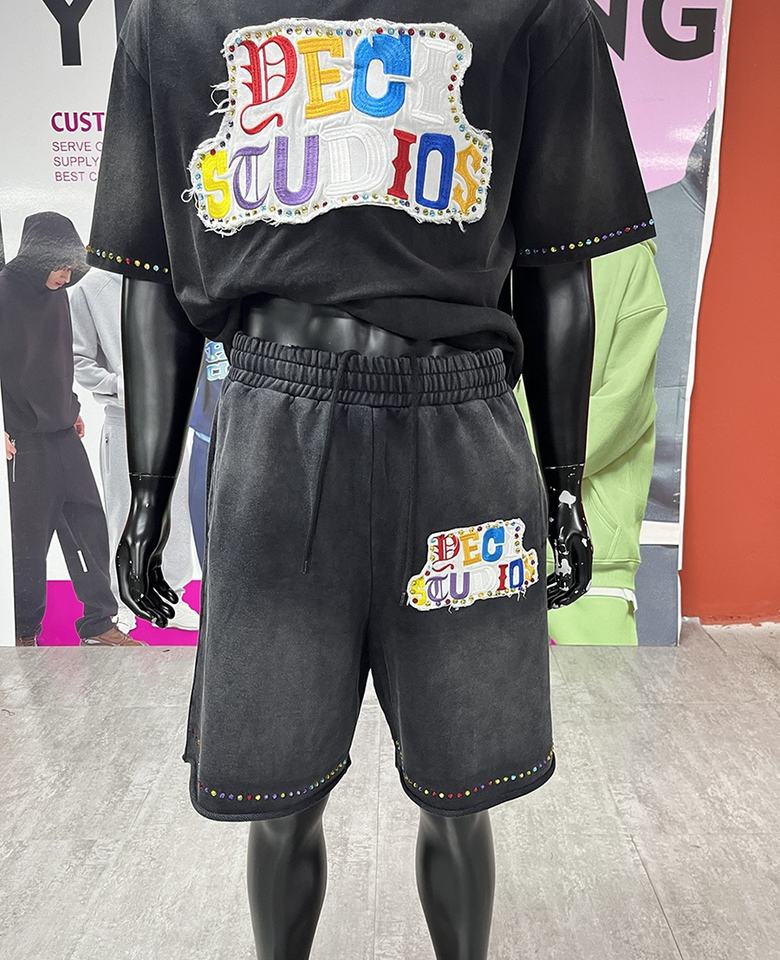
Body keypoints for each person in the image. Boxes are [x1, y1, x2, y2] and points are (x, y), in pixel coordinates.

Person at [86, 1, 656, 955]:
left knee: (463, 785)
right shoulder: (173, 12)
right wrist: (149, 492)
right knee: (278, 793)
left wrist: (565, 479)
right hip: (274, 434)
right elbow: (151, 273)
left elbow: (559, 266)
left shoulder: (535, 9)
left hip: (463, 439)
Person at [0, 211, 139, 646]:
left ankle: (99, 623)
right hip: (21, 440)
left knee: (88, 523)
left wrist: (72, 406)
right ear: (38, 257)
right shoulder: (3, 293)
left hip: (62, 429)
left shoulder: (58, 294)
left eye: (70, 268)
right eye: (60, 267)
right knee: (29, 540)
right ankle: (25, 631)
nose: (66, 276)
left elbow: (60, 359)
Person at [69, 268, 200, 632]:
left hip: (173, 416)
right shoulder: (91, 288)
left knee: (175, 509)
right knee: (121, 510)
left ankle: (173, 593)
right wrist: (124, 386)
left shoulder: (173, 277)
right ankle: (122, 602)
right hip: (123, 418)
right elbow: (78, 359)